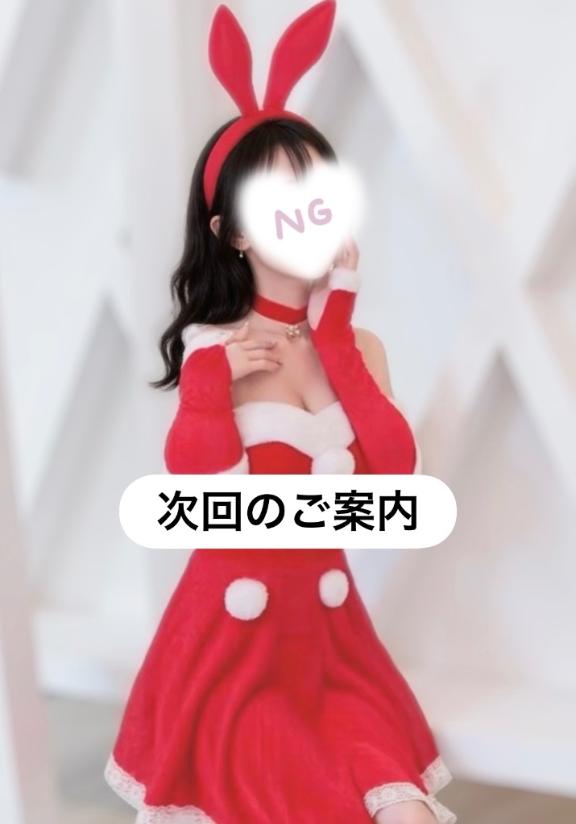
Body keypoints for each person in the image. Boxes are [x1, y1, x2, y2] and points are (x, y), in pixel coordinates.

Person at [104, 4, 456, 823]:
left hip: (330, 646)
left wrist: (335, 340)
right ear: (230, 232)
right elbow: (200, 494)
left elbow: (393, 483)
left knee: (402, 808)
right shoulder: (214, 348)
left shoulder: (356, 345)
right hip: (235, 653)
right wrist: (206, 389)